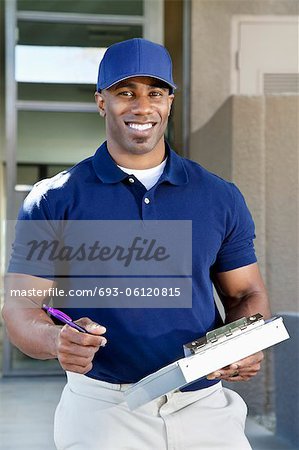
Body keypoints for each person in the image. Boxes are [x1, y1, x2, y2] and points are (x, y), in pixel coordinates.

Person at [2, 38, 271, 450]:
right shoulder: (53, 198)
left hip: (203, 407)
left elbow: (246, 293)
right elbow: (20, 306)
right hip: (102, 411)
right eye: (125, 92)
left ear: (169, 102)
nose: (142, 106)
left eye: (155, 93)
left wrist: (244, 341)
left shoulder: (219, 196)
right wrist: (56, 340)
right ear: (101, 102)